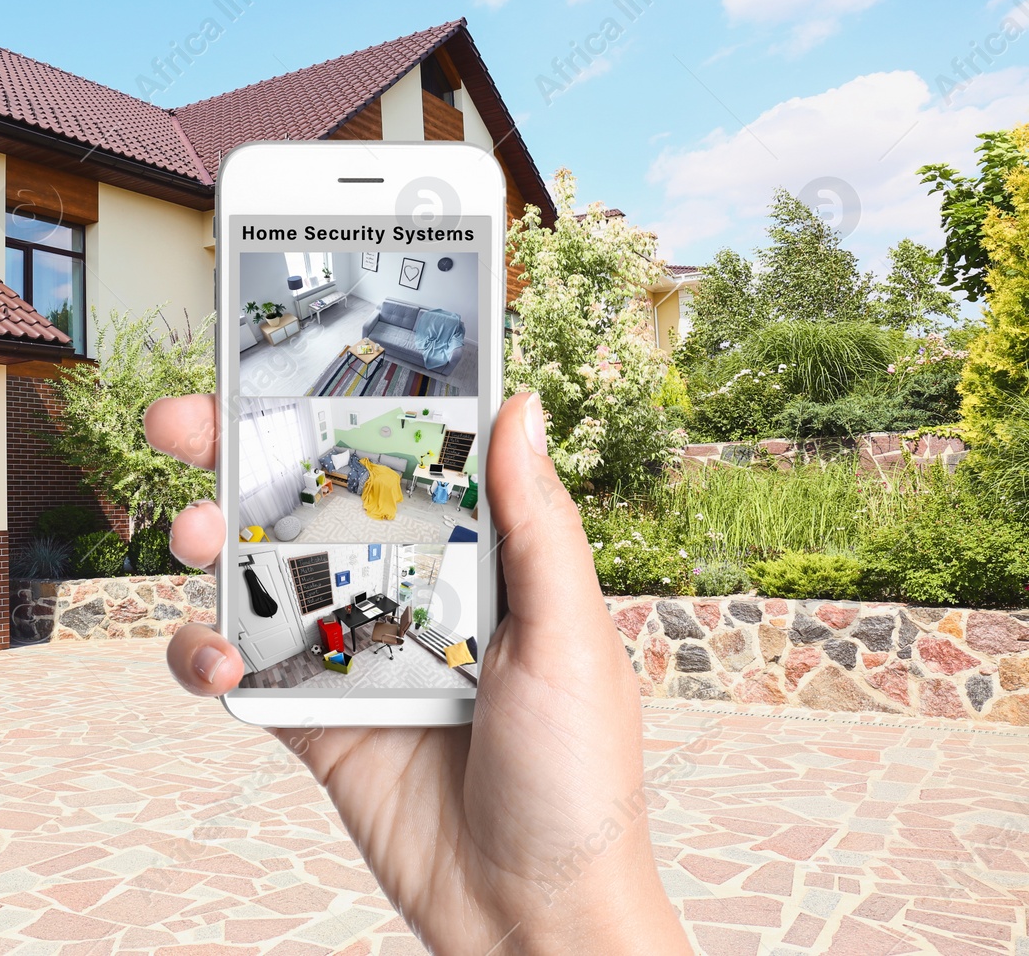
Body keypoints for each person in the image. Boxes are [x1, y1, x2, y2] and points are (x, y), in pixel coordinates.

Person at [144, 391, 693, 956]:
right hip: (383, 642)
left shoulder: (424, 518)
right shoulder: (372, 573)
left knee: (349, 602)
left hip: (380, 644)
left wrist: (556, 910)